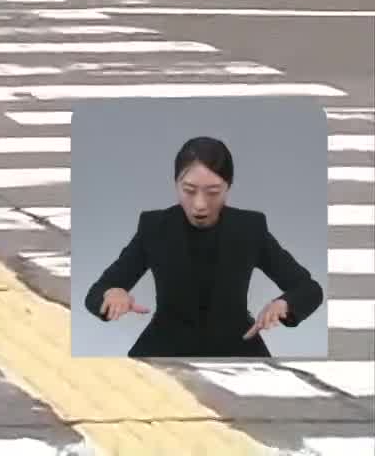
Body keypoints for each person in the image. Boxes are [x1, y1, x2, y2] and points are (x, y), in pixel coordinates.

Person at [83, 136, 323, 359]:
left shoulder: (249, 228)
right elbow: (96, 292)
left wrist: (284, 304)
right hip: (164, 346)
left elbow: (309, 289)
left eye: (213, 192)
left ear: (228, 186)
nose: (200, 204)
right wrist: (111, 294)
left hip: (237, 346)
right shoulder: (154, 227)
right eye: (188, 190)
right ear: (176, 184)